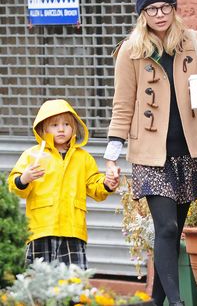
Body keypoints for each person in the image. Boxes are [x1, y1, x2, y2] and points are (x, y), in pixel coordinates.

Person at [104, 0, 197, 306]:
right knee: (167, 228)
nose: (160, 14)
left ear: (174, 7)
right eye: (152, 8)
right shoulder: (131, 51)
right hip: (150, 155)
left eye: (165, 6)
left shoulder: (196, 42)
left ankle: (155, 301)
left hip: (189, 152)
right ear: (142, 13)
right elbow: (122, 104)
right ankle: (177, 302)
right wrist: (113, 153)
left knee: (172, 233)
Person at [8, 99, 119, 268]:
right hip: (41, 228)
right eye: (54, 125)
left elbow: (94, 185)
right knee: (40, 278)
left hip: (73, 228)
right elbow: (14, 186)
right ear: (43, 128)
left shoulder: (83, 158)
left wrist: (107, 183)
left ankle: (73, 296)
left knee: (73, 277)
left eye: (67, 124)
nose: (61, 129)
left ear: (74, 128)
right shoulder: (33, 155)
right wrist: (24, 178)